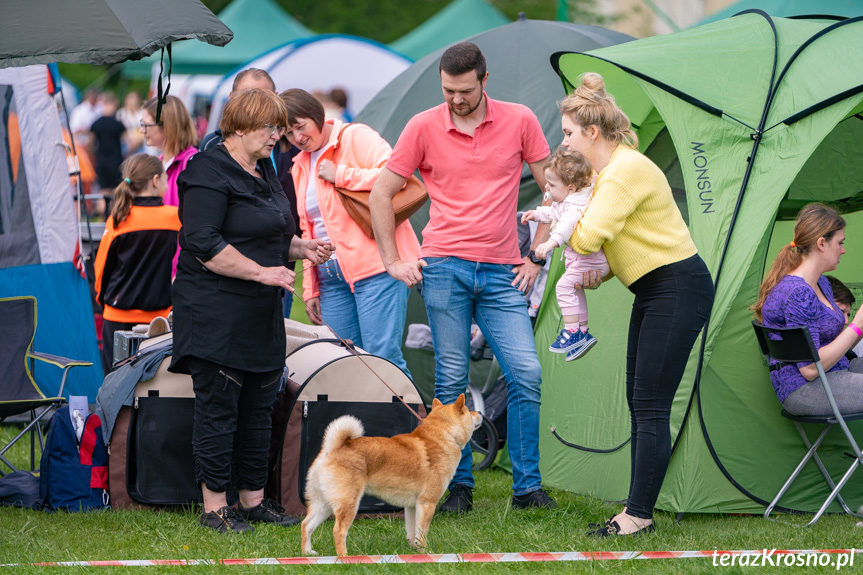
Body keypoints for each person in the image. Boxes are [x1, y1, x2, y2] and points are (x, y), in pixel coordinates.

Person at [369, 42, 555, 512]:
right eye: (449, 90)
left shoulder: (521, 120)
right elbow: (380, 194)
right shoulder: (423, 125)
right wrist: (392, 260)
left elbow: (554, 189)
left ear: (485, 80)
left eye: (465, 90)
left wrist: (536, 255)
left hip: (502, 272)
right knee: (450, 381)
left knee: (526, 374)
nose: (456, 99)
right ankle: (459, 488)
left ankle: (528, 488)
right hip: (444, 269)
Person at [168, 89, 334, 534]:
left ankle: (253, 500)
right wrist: (264, 273)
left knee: (260, 406)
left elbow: (270, 231)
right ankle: (215, 506)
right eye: (271, 128)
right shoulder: (206, 170)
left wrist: (303, 248)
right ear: (240, 126)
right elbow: (202, 244)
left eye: (281, 128)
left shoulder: (263, 168)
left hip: (260, 314)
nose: (279, 137)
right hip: (214, 311)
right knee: (220, 409)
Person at [558, 72, 714, 536]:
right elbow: (628, 243)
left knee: (649, 406)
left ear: (591, 132)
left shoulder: (622, 173)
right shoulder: (610, 172)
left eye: (567, 133)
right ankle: (636, 508)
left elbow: (586, 237)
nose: (562, 142)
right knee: (640, 403)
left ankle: (637, 516)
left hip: (678, 289)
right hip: (655, 290)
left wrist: (568, 203)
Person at [282, 88, 419, 375]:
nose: (297, 137)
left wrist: (342, 174)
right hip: (330, 279)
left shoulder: (355, 136)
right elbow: (309, 230)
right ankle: (361, 422)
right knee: (341, 364)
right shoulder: (299, 166)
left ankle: (403, 420)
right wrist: (310, 288)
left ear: (316, 115)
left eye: (300, 126)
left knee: (382, 359)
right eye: (288, 133)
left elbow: (399, 174)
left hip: (376, 269)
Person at [752, 203, 863, 417]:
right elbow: (811, 369)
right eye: (840, 243)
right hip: (802, 388)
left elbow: (832, 342)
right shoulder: (798, 293)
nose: (843, 250)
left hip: (834, 370)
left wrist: (860, 329)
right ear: (822, 243)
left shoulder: (821, 283)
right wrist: (857, 325)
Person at [93, 154, 180, 374]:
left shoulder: (118, 218)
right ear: (154, 180)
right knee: (153, 388)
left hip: (117, 314)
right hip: (158, 318)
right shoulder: (174, 217)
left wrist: (104, 301)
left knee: (114, 385)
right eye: (165, 178)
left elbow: (101, 268)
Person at [521, 147, 608, 361]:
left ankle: (571, 332)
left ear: (570, 188)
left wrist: (550, 243)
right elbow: (553, 212)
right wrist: (537, 213)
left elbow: (566, 224)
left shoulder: (575, 205)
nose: (547, 189)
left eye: (551, 185)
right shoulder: (567, 200)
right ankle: (583, 330)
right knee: (576, 290)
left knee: (563, 286)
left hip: (591, 262)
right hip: (584, 261)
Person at [140, 95, 198, 208]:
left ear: (168, 126)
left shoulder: (192, 163)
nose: (142, 130)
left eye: (146, 125)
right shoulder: (156, 163)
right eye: (141, 124)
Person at [200, 68, 277, 152]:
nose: (254, 104)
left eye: (263, 97)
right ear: (232, 97)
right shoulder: (213, 144)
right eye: (245, 96)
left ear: (275, 98)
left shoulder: (285, 140)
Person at [89, 92, 126, 213]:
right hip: (116, 160)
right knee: (116, 191)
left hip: (102, 160)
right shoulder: (118, 124)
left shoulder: (96, 123)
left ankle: (102, 219)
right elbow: (129, 141)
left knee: (103, 190)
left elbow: (90, 142)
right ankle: (114, 218)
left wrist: (93, 155)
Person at [116, 91, 144, 156]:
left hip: (141, 143)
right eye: (130, 98)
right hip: (125, 143)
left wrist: (137, 142)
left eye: (134, 99)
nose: (132, 101)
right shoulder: (121, 113)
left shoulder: (142, 112)